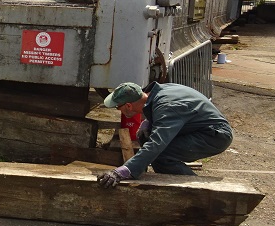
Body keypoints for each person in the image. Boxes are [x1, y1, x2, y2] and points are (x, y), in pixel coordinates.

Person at [97, 81, 233, 188]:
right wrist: (149, 121)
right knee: (146, 138)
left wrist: (123, 171)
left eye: (118, 107)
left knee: (160, 154)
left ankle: (196, 189)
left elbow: (157, 143)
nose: (118, 110)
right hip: (200, 128)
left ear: (128, 106)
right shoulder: (157, 93)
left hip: (215, 135)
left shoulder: (167, 107)